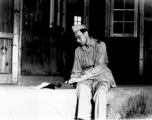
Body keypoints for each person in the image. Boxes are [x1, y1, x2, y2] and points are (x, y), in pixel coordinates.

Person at [66, 24, 116, 120]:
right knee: (81, 87)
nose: (77, 40)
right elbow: (76, 69)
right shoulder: (78, 50)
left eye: (79, 37)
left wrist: (81, 77)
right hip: (87, 79)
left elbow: (100, 67)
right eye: (76, 38)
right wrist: (72, 79)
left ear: (86, 33)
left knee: (101, 92)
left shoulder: (100, 45)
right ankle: (83, 118)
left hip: (102, 76)